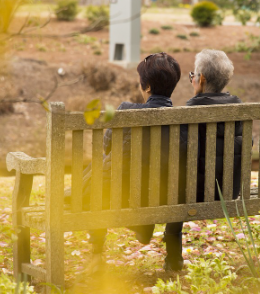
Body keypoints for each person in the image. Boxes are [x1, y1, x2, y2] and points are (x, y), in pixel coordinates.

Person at [65, 52, 184, 271]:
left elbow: (108, 146)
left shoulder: (127, 111)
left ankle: (97, 254)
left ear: (147, 87)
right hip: (167, 195)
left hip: (124, 194)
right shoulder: (185, 120)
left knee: (99, 171)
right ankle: (173, 257)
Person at [186, 49, 244, 202]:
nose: (192, 80)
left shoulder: (191, 112)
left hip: (196, 195)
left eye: (193, 76)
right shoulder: (238, 108)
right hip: (230, 192)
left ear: (202, 79)